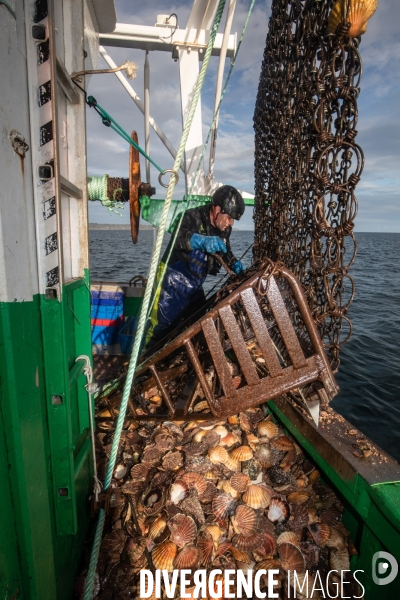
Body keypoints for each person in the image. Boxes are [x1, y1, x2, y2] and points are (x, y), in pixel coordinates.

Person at [144, 185, 246, 349]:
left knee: (200, 324)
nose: (230, 222)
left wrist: (236, 265)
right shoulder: (192, 217)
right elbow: (179, 238)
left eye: (234, 219)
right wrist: (202, 241)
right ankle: (144, 366)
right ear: (217, 209)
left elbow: (225, 252)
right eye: (229, 217)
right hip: (171, 280)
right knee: (159, 328)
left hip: (194, 285)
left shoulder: (224, 230)